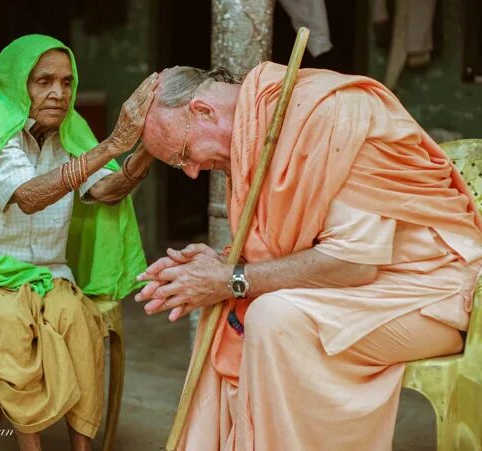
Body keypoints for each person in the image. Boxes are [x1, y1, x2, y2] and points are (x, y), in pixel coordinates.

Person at [136, 63, 482, 450]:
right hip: (363, 288)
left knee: (273, 316)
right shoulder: (258, 129)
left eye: (184, 155)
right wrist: (219, 268)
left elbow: (353, 262)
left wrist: (232, 277)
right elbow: (288, 245)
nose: (193, 173)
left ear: (203, 110)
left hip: (431, 294)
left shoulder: (333, 115)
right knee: (227, 307)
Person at [0, 34, 156, 451]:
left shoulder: (69, 130)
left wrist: (150, 146)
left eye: (67, 82)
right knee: (11, 326)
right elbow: (29, 196)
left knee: (81, 323)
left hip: (49, 273)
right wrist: (112, 145)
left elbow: (105, 190)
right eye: (44, 81)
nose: (59, 93)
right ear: (20, 82)